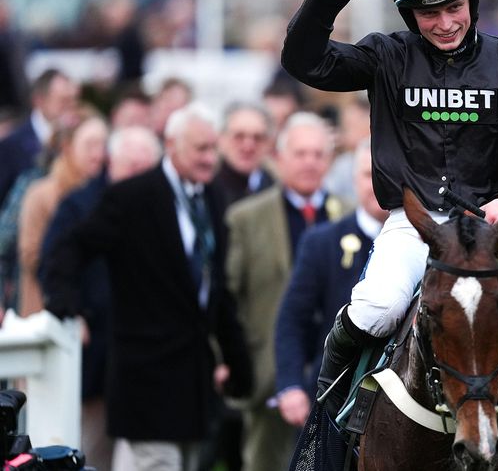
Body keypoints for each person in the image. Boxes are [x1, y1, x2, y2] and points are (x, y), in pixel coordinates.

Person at [280, 0, 498, 418]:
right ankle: (329, 423)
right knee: (377, 308)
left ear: (472, 3)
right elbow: (303, 60)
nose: (444, 24)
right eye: (427, 13)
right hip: (414, 225)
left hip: (488, 227)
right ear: (408, 14)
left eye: (454, 8)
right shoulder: (386, 56)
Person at [43, 103, 252, 471]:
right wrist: (67, 305)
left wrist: (236, 360)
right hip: (144, 380)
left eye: (212, 148)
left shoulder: (212, 196)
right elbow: (69, 248)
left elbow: (214, 288)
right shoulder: (132, 196)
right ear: (171, 145)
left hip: (191, 384)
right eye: (200, 149)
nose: (209, 159)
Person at [223, 113, 349, 471]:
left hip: (336, 374)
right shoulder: (246, 217)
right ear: (279, 158)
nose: (310, 162)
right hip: (268, 371)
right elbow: (229, 296)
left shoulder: (351, 215)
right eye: (300, 153)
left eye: (318, 154)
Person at [39, 125, 163, 471]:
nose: (136, 179)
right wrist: (71, 311)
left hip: (150, 358)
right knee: (94, 450)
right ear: (111, 163)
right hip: (99, 352)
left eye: (144, 170)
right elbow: (54, 264)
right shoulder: (81, 205)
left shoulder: (163, 206)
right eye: (129, 168)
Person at [274, 139, 386, 428]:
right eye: (367, 174)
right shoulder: (322, 242)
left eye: (386, 172)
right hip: (331, 395)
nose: (377, 183)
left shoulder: (428, 244)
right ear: (354, 180)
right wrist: (290, 385)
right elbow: (292, 319)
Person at [18, 116, 109, 316]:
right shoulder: (41, 194)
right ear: (69, 147)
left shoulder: (108, 194)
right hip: (48, 311)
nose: (98, 154)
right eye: (90, 145)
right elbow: (30, 254)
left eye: (103, 145)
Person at [0, 69, 79, 205]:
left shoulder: (78, 137)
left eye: (73, 100)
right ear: (39, 101)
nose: (70, 107)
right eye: (63, 101)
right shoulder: (11, 145)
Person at [211, 103, 276, 211]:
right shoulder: (207, 189)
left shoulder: (279, 189)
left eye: (258, 138)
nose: (248, 147)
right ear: (221, 139)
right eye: (239, 136)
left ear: (269, 144)